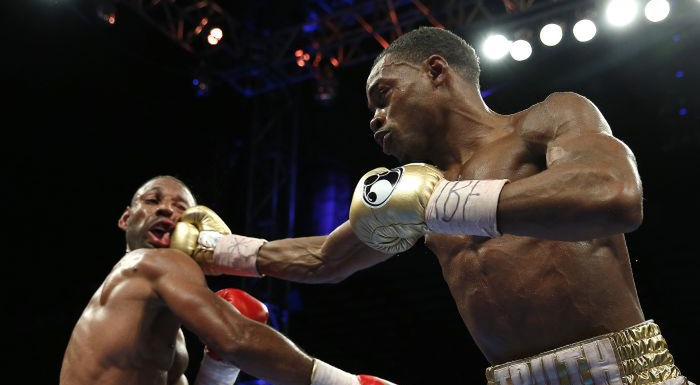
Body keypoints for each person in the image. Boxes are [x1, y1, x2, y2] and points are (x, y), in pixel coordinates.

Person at [178, 27, 693, 385]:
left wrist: (445, 204)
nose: (376, 118)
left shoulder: (546, 119)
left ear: (437, 71)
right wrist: (211, 248)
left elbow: (613, 195)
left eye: (384, 95)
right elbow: (324, 260)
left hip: (620, 371)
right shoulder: (419, 193)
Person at [59, 175, 396, 385]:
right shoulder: (151, 261)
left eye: (181, 207)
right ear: (125, 218)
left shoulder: (160, 326)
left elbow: (323, 261)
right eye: (152, 201)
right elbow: (238, 340)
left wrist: (217, 369)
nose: (166, 210)